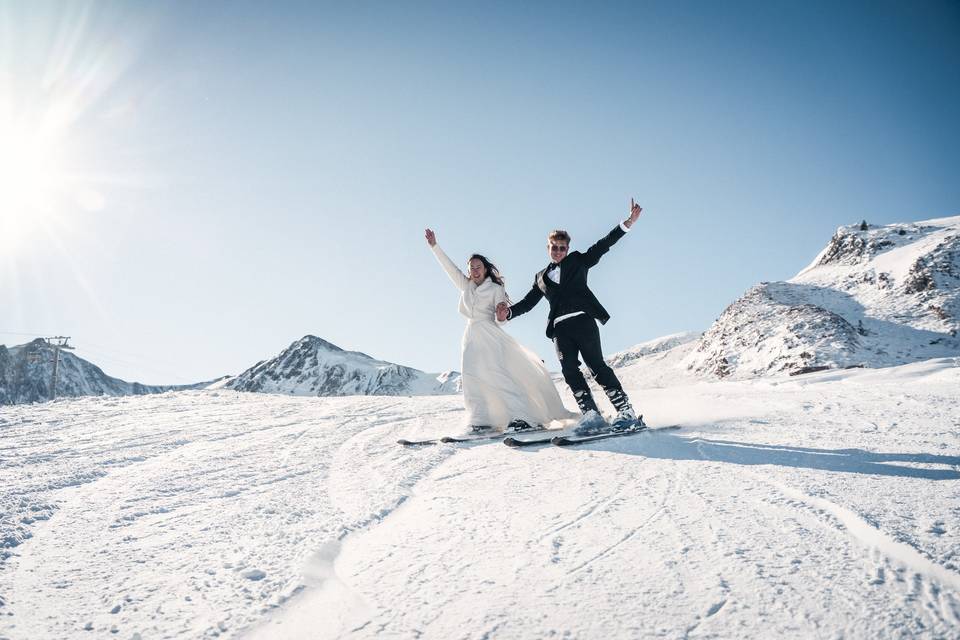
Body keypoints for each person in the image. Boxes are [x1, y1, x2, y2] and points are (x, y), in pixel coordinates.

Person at [496, 199, 644, 435]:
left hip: (582, 321)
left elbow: (602, 246)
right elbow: (528, 302)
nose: (558, 251)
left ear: (567, 248)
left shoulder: (578, 261)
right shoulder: (540, 277)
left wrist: (626, 224)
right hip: (559, 330)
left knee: (596, 366)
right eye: (553, 247)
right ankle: (591, 414)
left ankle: (627, 412)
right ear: (548, 248)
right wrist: (509, 313)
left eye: (561, 247)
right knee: (569, 372)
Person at [425, 228, 578, 434]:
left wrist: (501, 313)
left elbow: (502, 319)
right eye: (471, 268)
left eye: (478, 267)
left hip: (490, 334)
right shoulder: (466, 285)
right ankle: (480, 420)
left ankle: (522, 418)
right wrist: (435, 246)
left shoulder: (496, 289)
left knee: (498, 376)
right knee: (471, 377)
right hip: (471, 335)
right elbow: (450, 268)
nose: (475, 270)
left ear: (486, 269)